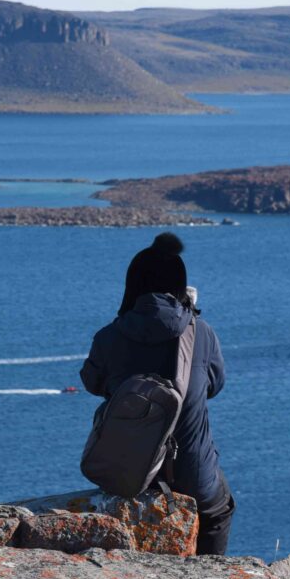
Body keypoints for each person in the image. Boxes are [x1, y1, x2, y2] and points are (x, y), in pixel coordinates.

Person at [80, 232, 235, 555]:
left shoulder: (109, 337)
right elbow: (215, 385)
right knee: (220, 512)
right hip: (195, 477)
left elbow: (91, 382)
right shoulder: (200, 332)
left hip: (130, 472)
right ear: (180, 285)